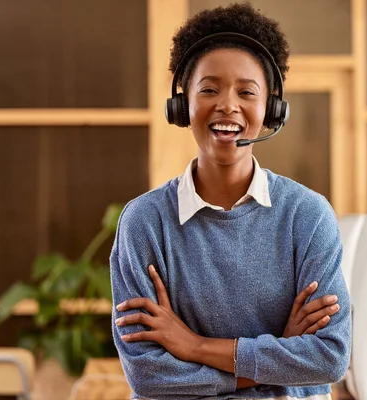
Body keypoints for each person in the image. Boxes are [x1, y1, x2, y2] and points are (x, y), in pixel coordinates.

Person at [109, 3, 351, 399]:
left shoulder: (307, 215)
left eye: (246, 92)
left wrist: (195, 347)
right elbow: (148, 374)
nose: (227, 105)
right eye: (208, 89)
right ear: (181, 104)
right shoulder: (144, 221)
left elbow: (329, 356)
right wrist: (276, 358)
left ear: (271, 108)